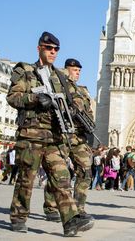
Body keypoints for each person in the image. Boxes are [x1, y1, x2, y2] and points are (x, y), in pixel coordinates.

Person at [6, 31, 94, 236]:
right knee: (26, 178)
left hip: (55, 137)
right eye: (49, 48)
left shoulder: (60, 77)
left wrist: (74, 108)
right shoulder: (26, 71)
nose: (53, 52)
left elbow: (74, 99)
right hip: (32, 135)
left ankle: (71, 220)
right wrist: (35, 100)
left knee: (61, 177)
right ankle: (19, 217)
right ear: (39, 49)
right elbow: (13, 97)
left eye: (56, 49)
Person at [43, 58, 95, 222]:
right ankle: (51, 206)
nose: (77, 73)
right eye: (74, 70)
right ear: (66, 70)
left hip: (79, 137)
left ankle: (78, 207)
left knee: (85, 171)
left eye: (79, 71)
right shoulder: (57, 86)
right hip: (62, 134)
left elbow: (88, 112)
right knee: (58, 171)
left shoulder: (82, 91)